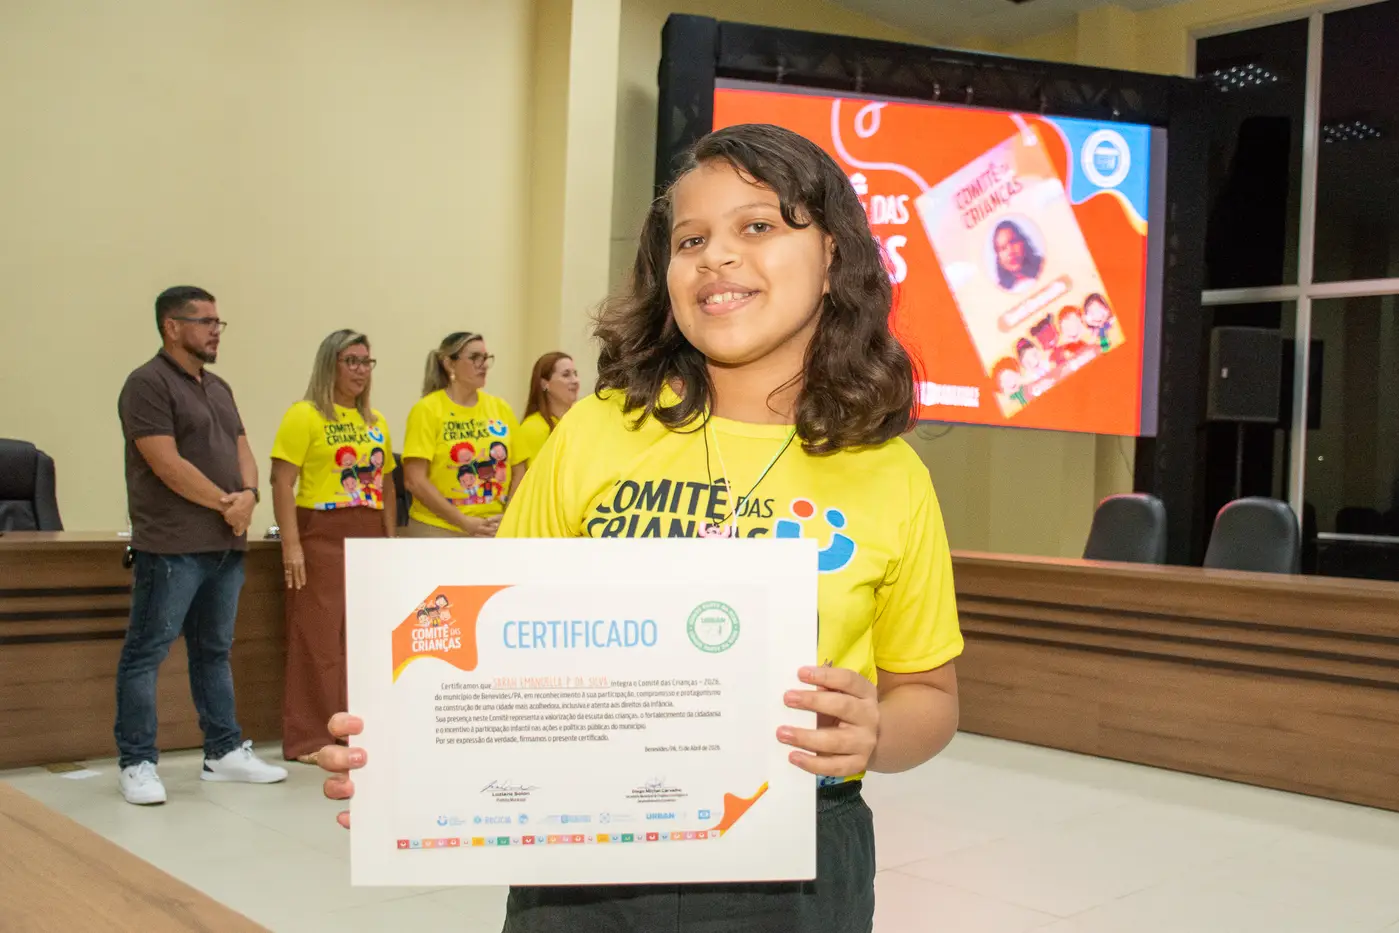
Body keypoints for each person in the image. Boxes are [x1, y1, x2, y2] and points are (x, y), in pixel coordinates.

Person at [317, 123, 963, 932]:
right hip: (584, 846)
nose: (716, 256)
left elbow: (929, 695)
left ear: (833, 256)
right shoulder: (596, 431)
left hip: (798, 851)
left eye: (757, 225)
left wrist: (875, 732)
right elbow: (475, 628)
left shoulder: (891, 475)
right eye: (691, 239)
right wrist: (406, 743)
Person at [115, 285, 287, 805]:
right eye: (205, 321)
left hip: (225, 544)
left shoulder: (219, 387)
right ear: (172, 327)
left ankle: (223, 751)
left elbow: (243, 450)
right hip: (172, 546)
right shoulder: (147, 383)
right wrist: (225, 503)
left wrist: (249, 496)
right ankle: (137, 762)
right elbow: (166, 463)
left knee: (214, 650)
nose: (216, 331)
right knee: (147, 652)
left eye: (218, 322)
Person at [270, 329, 397, 764]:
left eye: (367, 362)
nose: (361, 371)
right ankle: (311, 739)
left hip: (369, 533)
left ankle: (356, 730)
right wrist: (291, 546)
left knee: (362, 639)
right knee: (318, 639)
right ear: (331, 365)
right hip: (321, 533)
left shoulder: (375, 422)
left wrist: (389, 540)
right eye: (352, 361)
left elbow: (387, 484)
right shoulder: (304, 415)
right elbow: (281, 482)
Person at [401, 332, 526, 537]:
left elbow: (519, 469)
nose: (483, 365)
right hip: (438, 528)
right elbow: (414, 480)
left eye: (485, 358)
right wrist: (464, 522)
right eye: (475, 358)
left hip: (494, 526)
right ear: (449, 364)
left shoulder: (500, 408)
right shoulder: (427, 410)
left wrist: (509, 514)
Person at [515, 352, 581, 467]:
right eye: (566, 375)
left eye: (575, 374)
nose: (575, 380)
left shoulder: (581, 421)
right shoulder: (533, 428)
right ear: (545, 384)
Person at [992, 219, 1043, 291]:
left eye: (1013, 242)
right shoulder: (1000, 290)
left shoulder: (1044, 265)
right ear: (998, 258)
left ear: (1023, 242)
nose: (1010, 251)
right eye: (1003, 248)